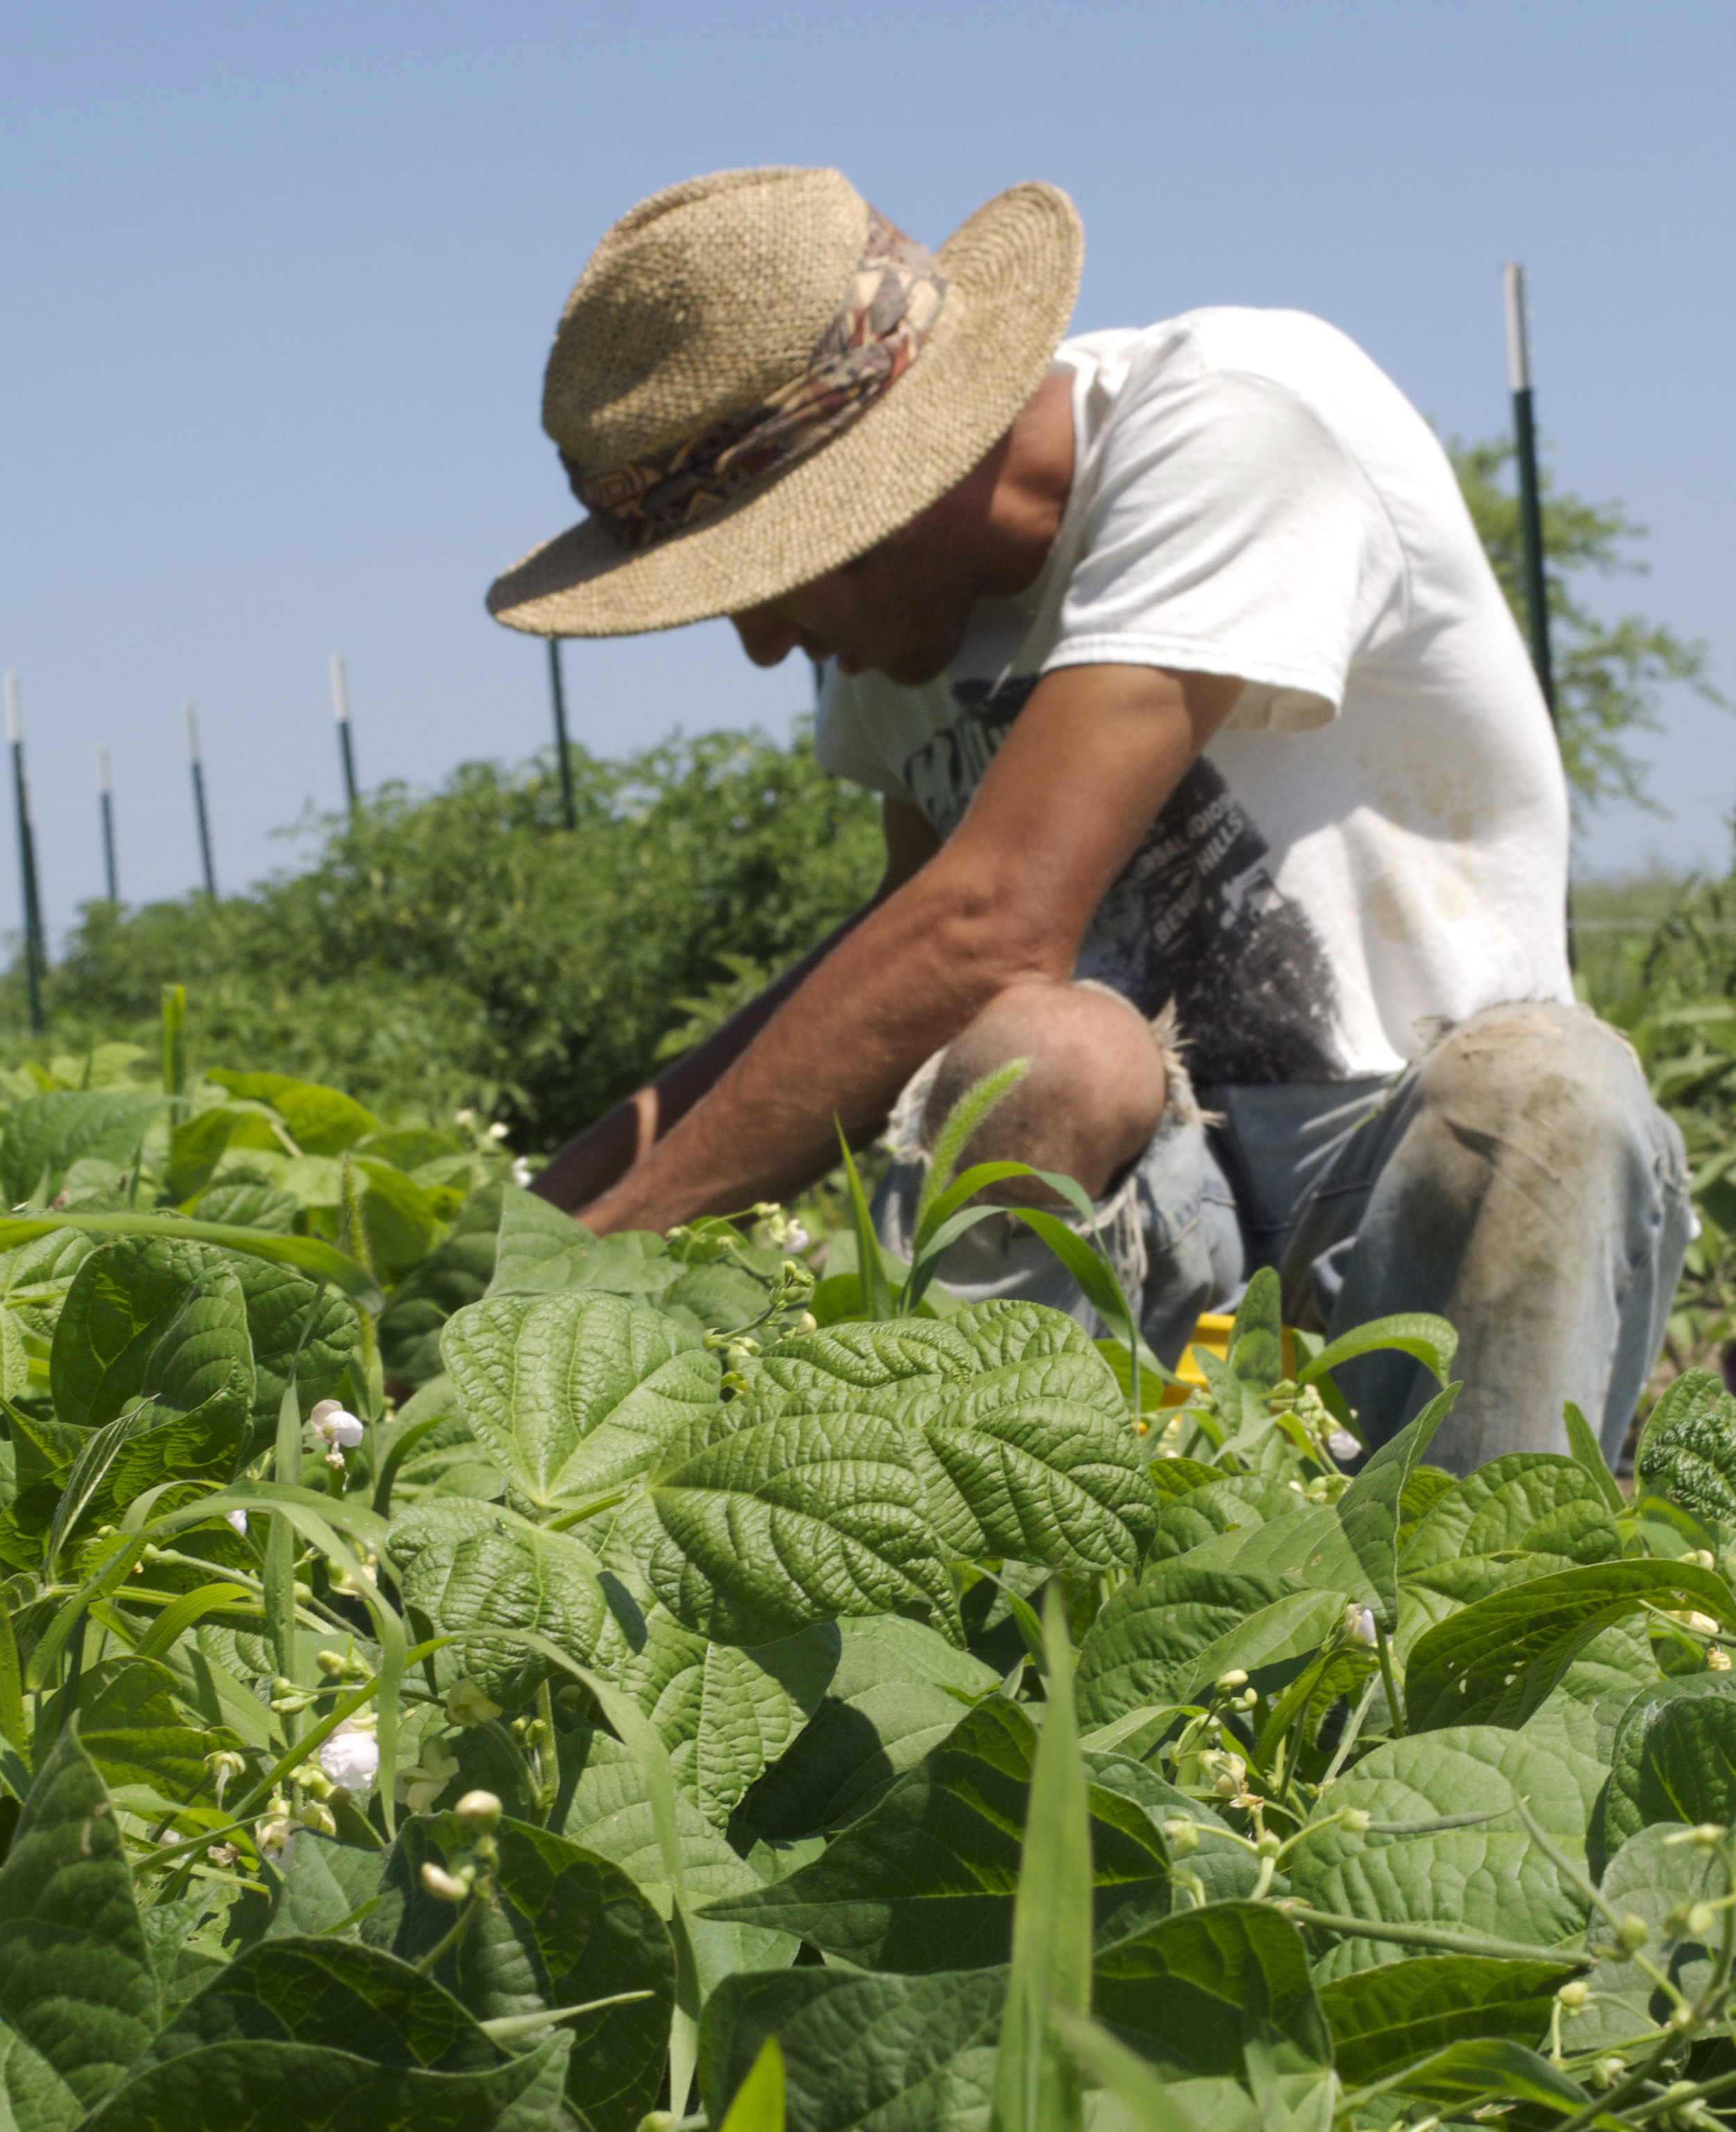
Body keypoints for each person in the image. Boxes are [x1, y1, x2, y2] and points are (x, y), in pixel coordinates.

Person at [487, 163, 1689, 1471]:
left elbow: (987, 922)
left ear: (888, 486)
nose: (768, 645)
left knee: (1540, 1088)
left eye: (770, 579)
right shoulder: (896, 637)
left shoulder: (1233, 425)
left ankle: (1490, 1599)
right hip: (1153, 1229)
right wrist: (526, 1249)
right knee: (1044, 1058)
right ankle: (1025, 1584)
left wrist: (599, 1267)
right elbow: (895, 962)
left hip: (1410, 1192)